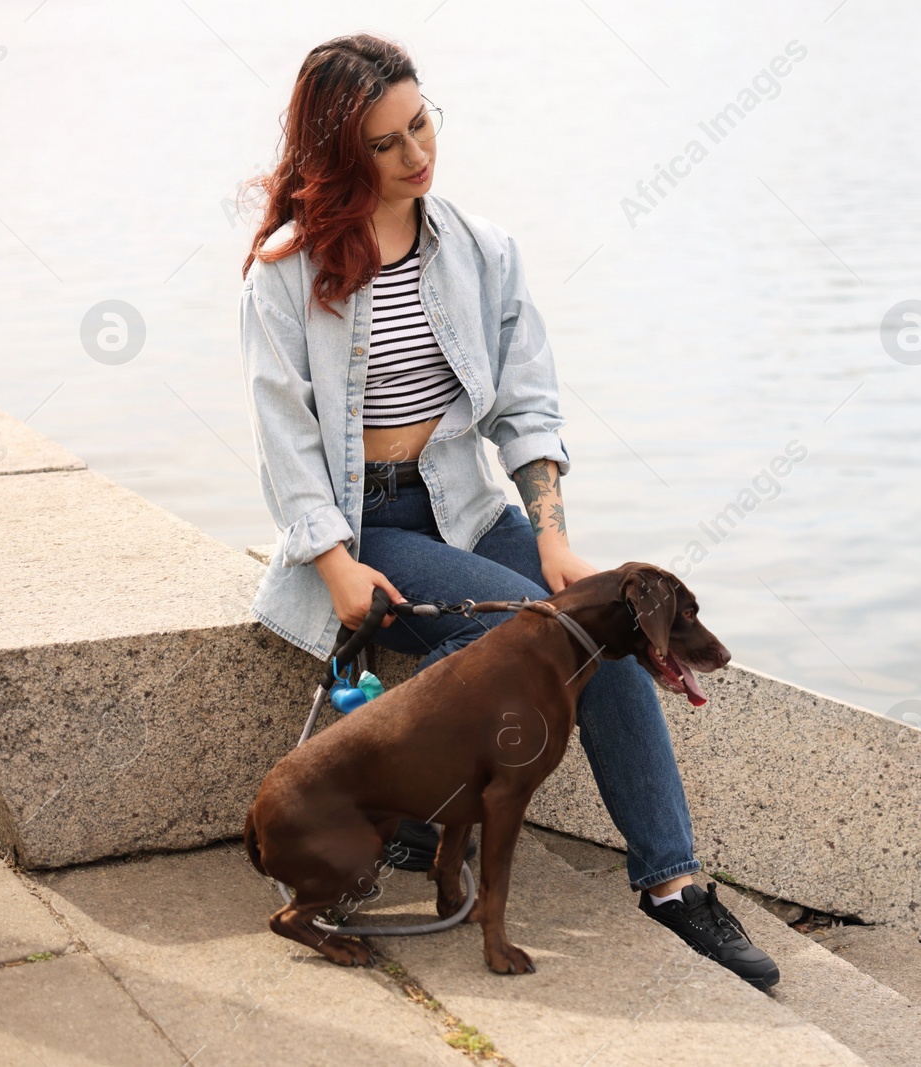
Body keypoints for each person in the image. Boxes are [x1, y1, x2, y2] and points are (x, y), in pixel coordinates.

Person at [237, 33, 777, 989]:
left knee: (596, 627)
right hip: (372, 524)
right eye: (385, 143)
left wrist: (554, 538)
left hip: (471, 508)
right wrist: (334, 565)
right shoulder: (284, 278)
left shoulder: (482, 251)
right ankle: (416, 816)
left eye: (422, 123)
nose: (417, 154)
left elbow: (528, 409)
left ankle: (672, 883)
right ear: (337, 156)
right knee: (544, 641)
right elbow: (286, 447)